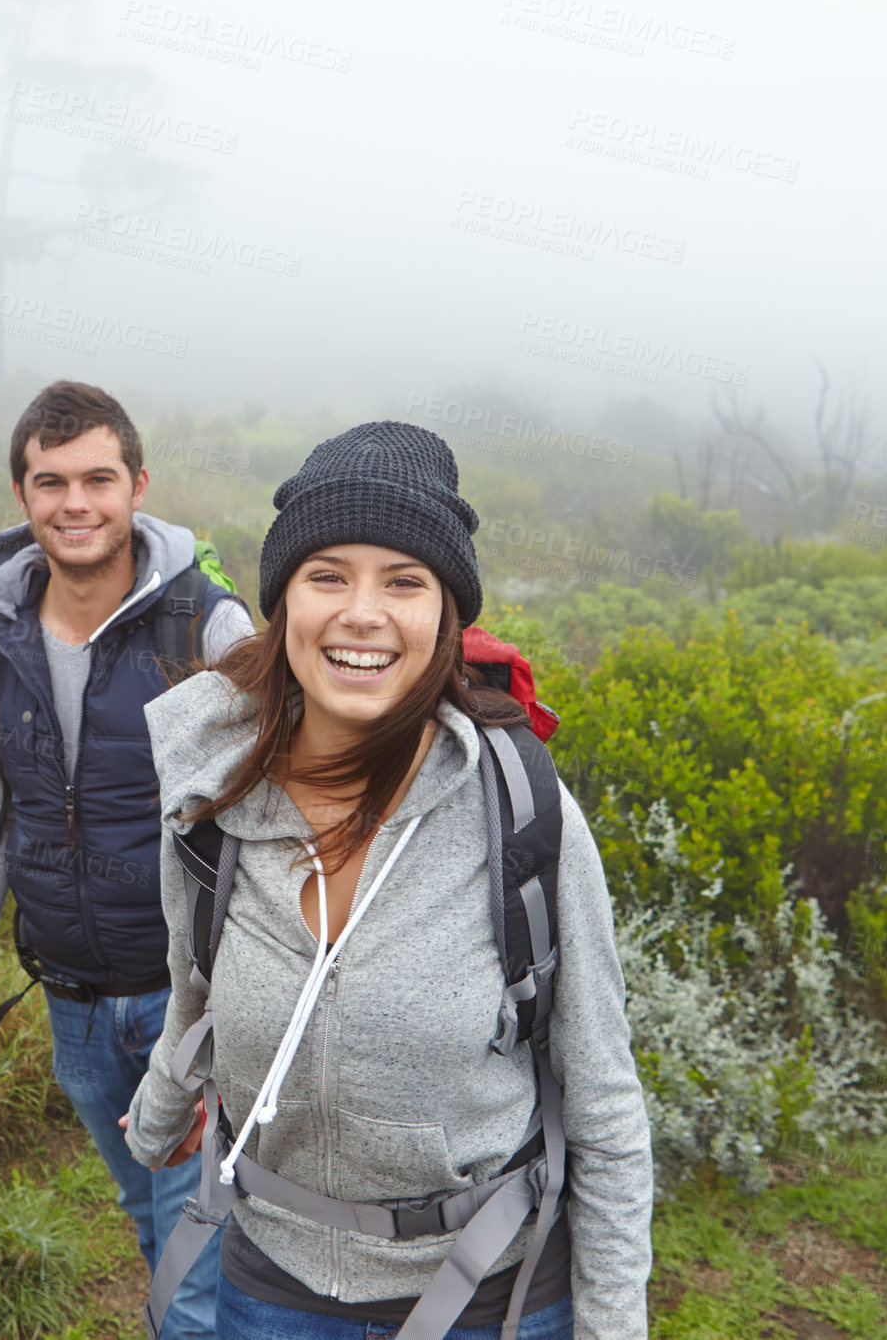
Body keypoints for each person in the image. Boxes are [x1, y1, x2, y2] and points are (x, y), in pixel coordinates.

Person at [123, 421, 653, 1340]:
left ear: (446, 616)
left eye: (403, 580)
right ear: (283, 602)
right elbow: (193, 988)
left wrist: (613, 1328)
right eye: (327, 574)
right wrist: (156, 1116)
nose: (361, 612)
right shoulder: (210, 797)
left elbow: (604, 1099)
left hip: (491, 1292)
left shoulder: (523, 809)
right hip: (272, 1286)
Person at [0, 380, 252, 1340]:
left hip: (184, 1002)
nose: (77, 503)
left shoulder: (210, 629)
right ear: (23, 496)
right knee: (156, 1226)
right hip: (69, 995)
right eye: (51, 481)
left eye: (99, 479)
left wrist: (228, 1027)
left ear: (137, 486)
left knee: (194, 1254)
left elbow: (278, 829)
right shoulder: (0, 633)